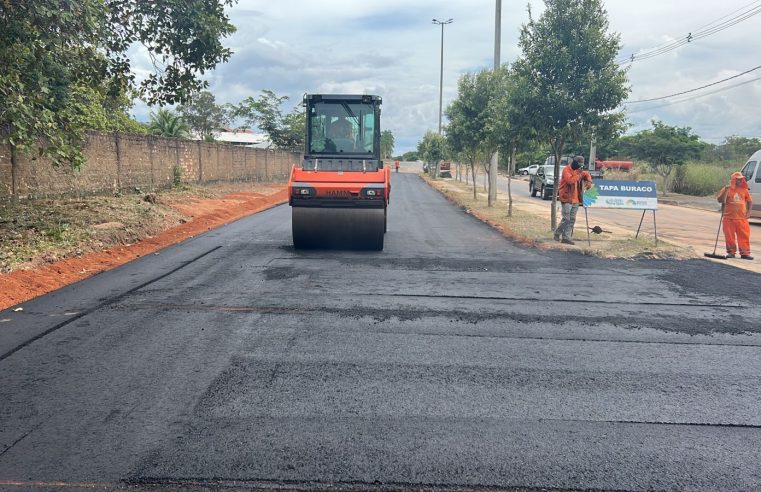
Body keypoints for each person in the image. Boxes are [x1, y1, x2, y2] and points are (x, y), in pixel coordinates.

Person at [554, 155, 592, 245]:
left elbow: (586, 174)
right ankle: (557, 233)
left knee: (572, 219)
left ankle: (566, 238)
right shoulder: (566, 170)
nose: (580, 167)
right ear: (574, 162)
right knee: (566, 219)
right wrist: (579, 174)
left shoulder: (579, 171)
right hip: (567, 198)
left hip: (576, 199)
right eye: (579, 164)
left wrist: (589, 181)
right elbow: (570, 181)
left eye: (581, 165)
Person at [717, 171, 753, 260]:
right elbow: (720, 200)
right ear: (734, 180)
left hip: (742, 218)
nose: (740, 181)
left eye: (741, 179)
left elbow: (749, 201)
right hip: (728, 218)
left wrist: (749, 212)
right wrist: (725, 190)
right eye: (738, 179)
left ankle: (745, 253)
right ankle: (731, 252)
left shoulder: (744, 190)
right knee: (729, 236)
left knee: (744, 236)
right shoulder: (727, 189)